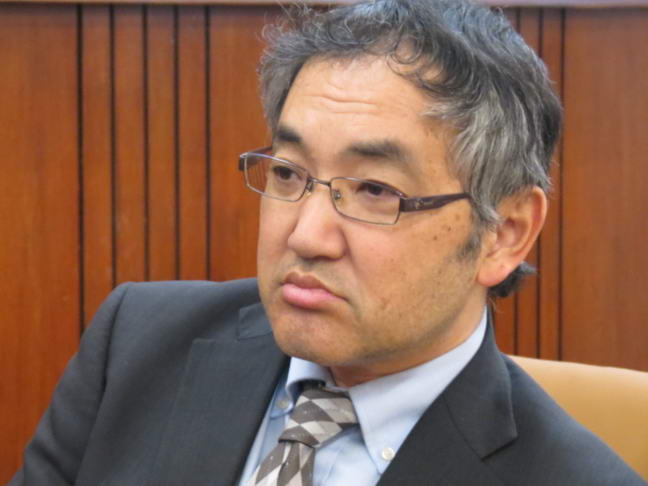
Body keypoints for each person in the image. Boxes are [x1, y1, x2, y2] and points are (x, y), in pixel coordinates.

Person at [10, 0, 645, 485]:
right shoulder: (137, 343)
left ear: (504, 234)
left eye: (374, 190)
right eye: (288, 174)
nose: (306, 235)